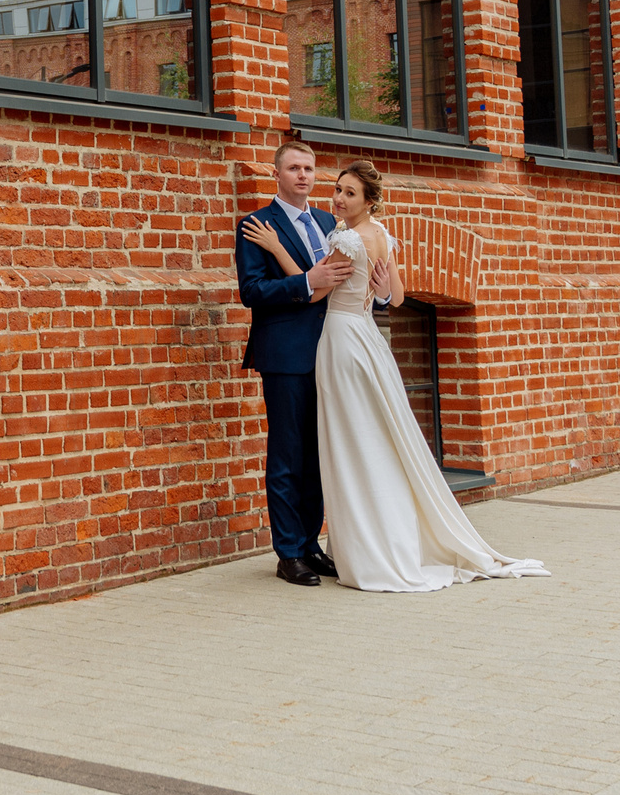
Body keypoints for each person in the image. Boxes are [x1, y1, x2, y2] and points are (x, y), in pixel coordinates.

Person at [240, 161, 549, 593]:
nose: (336, 197)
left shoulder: (344, 233)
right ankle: (298, 550)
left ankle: (336, 545)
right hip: (354, 342)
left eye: (347, 192)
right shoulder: (378, 233)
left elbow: (316, 290)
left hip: (342, 342)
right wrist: (376, 287)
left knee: (349, 442)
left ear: (368, 200)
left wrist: (278, 250)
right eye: (337, 190)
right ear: (278, 174)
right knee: (339, 443)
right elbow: (395, 295)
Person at [234, 139, 354, 586]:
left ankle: (309, 544)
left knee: (319, 453)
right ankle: (288, 553)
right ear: (277, 174)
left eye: (309, 168)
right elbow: (252, 291)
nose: (303, 175)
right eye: (294, 168)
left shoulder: (329, 222)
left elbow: (342, 285)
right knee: (287, 454)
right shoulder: (254, 224)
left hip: (330, 352)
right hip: (284, 355)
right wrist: (307, 281)